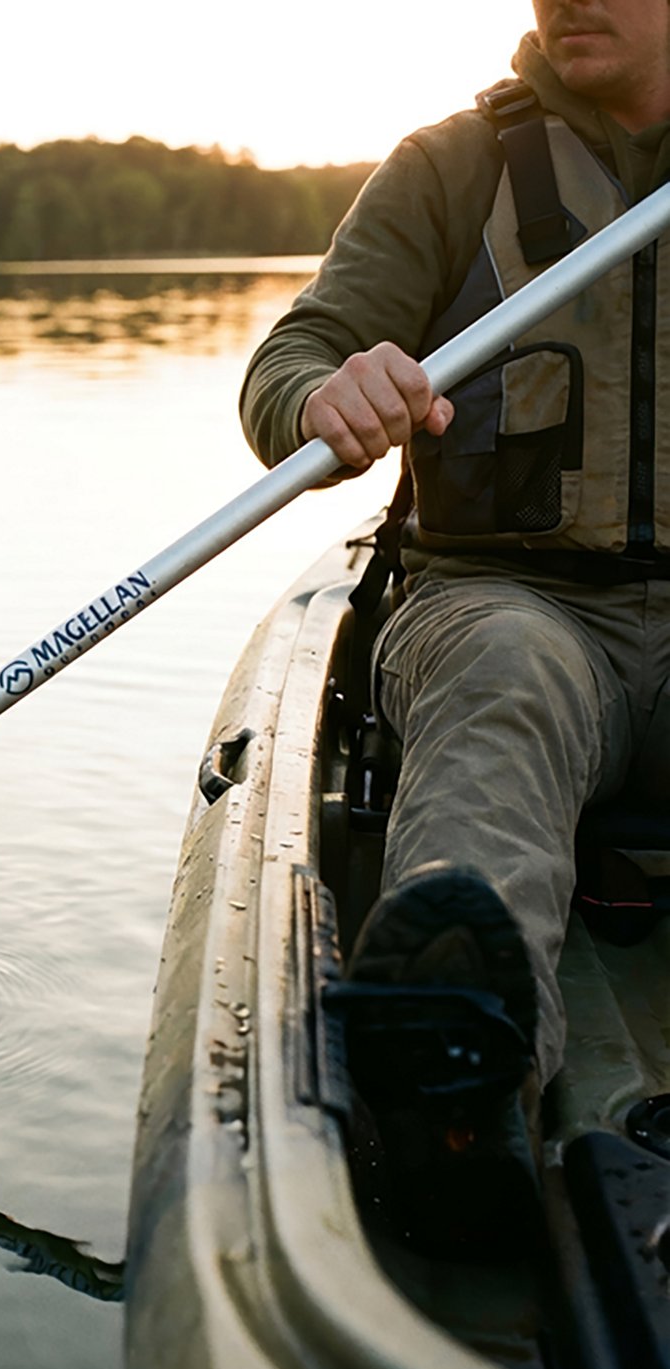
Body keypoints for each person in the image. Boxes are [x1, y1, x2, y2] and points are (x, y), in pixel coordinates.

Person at [241, 0, 670, 1194]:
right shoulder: (451, 167)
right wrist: (324, 394)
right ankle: (459, 1094)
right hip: (507, 604)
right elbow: (289, 364)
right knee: (505, 672)